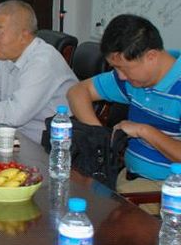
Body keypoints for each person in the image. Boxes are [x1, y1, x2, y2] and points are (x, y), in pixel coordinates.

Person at [67, 14, 181, 191]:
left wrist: (144, 131)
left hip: (166, 191)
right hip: (127, 176)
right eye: (115, 68)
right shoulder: (134, 79)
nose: (120, 76)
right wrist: (99, 135)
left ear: (151, 56)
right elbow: (77, 92)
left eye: (123, 68)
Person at [0, 0, 78, 143]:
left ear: (23, 36)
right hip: (14, 138)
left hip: (46, 147)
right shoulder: (8, 55)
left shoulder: (43, 61)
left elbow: (15, 114)